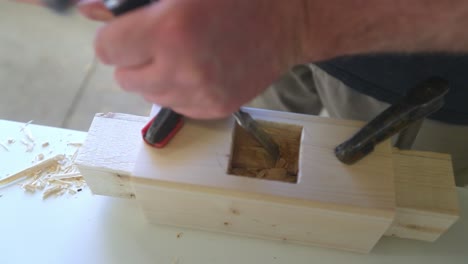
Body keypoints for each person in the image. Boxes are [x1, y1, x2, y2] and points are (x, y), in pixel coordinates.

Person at [21, 0, 468, 184]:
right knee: (242, 169)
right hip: (229, 28)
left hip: (421, 70)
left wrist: (298, 24)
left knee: (380, 197)